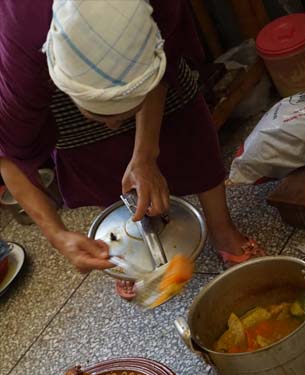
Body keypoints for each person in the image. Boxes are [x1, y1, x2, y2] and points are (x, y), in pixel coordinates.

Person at [0, 0, 264, 299]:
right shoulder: (20, 57)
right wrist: (58, 236)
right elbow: (10, 156)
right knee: (95, 157)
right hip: (37, 45)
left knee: (183, 123)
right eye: (100, 116)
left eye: (128, 108)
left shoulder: (161, 9)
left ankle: (222, 228)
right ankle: (128, 250)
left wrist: (145, 155)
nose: (113, 126)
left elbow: (165, 60)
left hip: (143, 39)